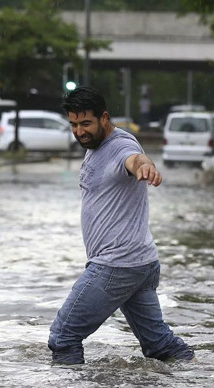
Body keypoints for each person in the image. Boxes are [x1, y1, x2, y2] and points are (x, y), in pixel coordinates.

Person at [48, 86, 195, 365]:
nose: (80, 131)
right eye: (74, 125)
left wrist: (145, 165)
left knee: (63, 337)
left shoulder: (121, 146)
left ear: (104, 118)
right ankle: (201, 383)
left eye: (86, 123)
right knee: (160, 345)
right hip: (139, 264)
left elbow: (134, 159)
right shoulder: (96, 146)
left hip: (116, 265)